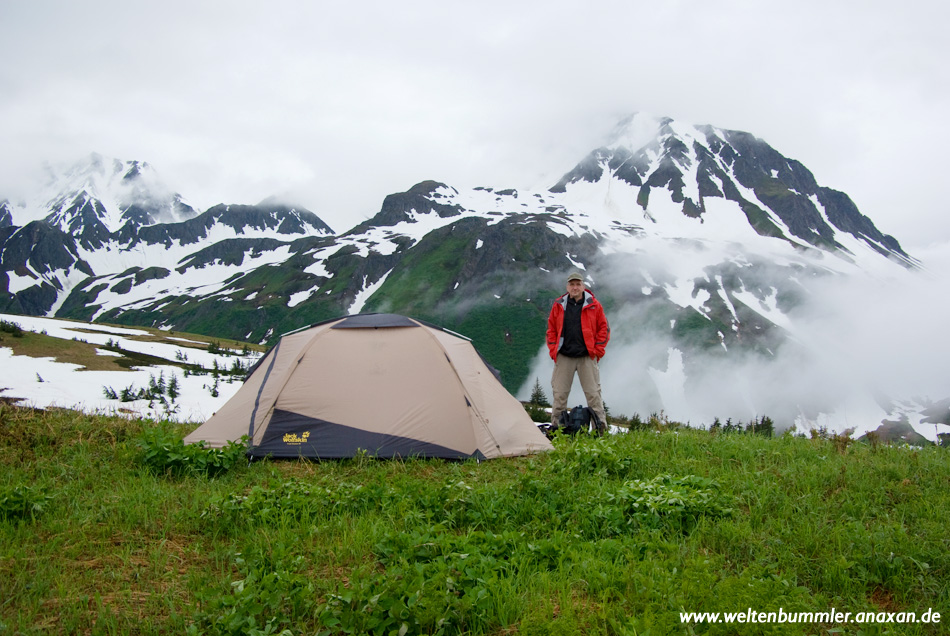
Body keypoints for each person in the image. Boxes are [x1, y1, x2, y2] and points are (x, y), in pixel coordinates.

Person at [546, 272, 610, 433]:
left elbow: (604, 328)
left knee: (593, 394)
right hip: (564, 356)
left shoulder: (594, 305)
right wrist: (554, 350)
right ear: (567, 287)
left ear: (583, 286)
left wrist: (597, 351)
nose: (575, 287)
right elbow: (551, 329)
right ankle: (556, 429)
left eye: (578, 284)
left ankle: (599, 429)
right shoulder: (559, 305)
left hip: (586, 356)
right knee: (559, 394)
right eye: (572, 284)